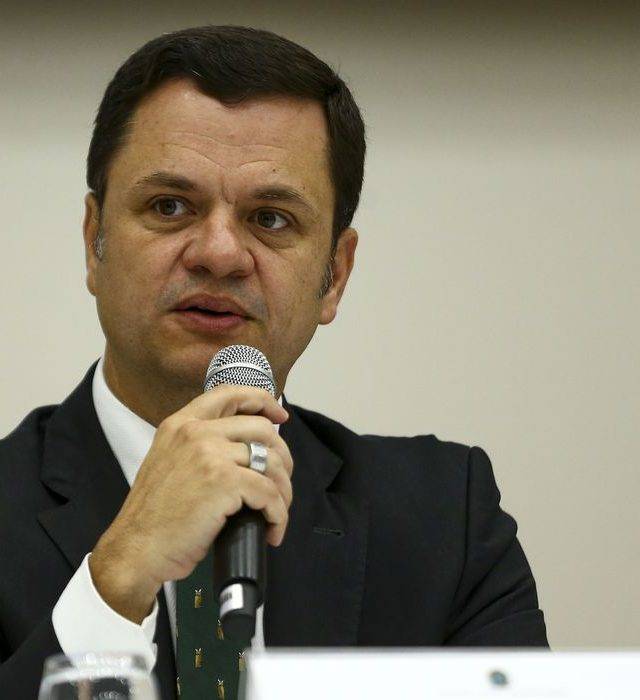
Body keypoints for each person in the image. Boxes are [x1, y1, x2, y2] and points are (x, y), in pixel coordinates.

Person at [0, 25, 548, 700]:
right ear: (95, 243)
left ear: (335, 275)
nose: (219, 254)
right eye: (170, 206)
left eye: (271, 218)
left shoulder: (446, 521)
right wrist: (116, 579)